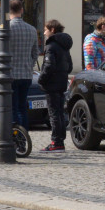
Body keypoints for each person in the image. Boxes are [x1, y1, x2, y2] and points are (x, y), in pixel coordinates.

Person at [39, 20, 74, 152]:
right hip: (61, 82)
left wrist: (42, 79)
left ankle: (56, 142)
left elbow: (48, 66)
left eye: (45, 29)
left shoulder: (51, 46)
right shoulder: (64, 45)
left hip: (52, 84)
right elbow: (69, 66)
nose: (44, 32)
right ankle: (60, 141)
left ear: (52, 29)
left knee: (53, 113)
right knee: (59, 112)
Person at [7, 0, 39, 131]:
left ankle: (15, 136)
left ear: (8, 11)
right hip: (26, 74)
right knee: (22, 106)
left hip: (10, 74)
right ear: (22, 10)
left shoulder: (6, 28)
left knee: (12, 108)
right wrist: (29, 65)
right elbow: (35, 53)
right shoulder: (32, 29)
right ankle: (24, 135)